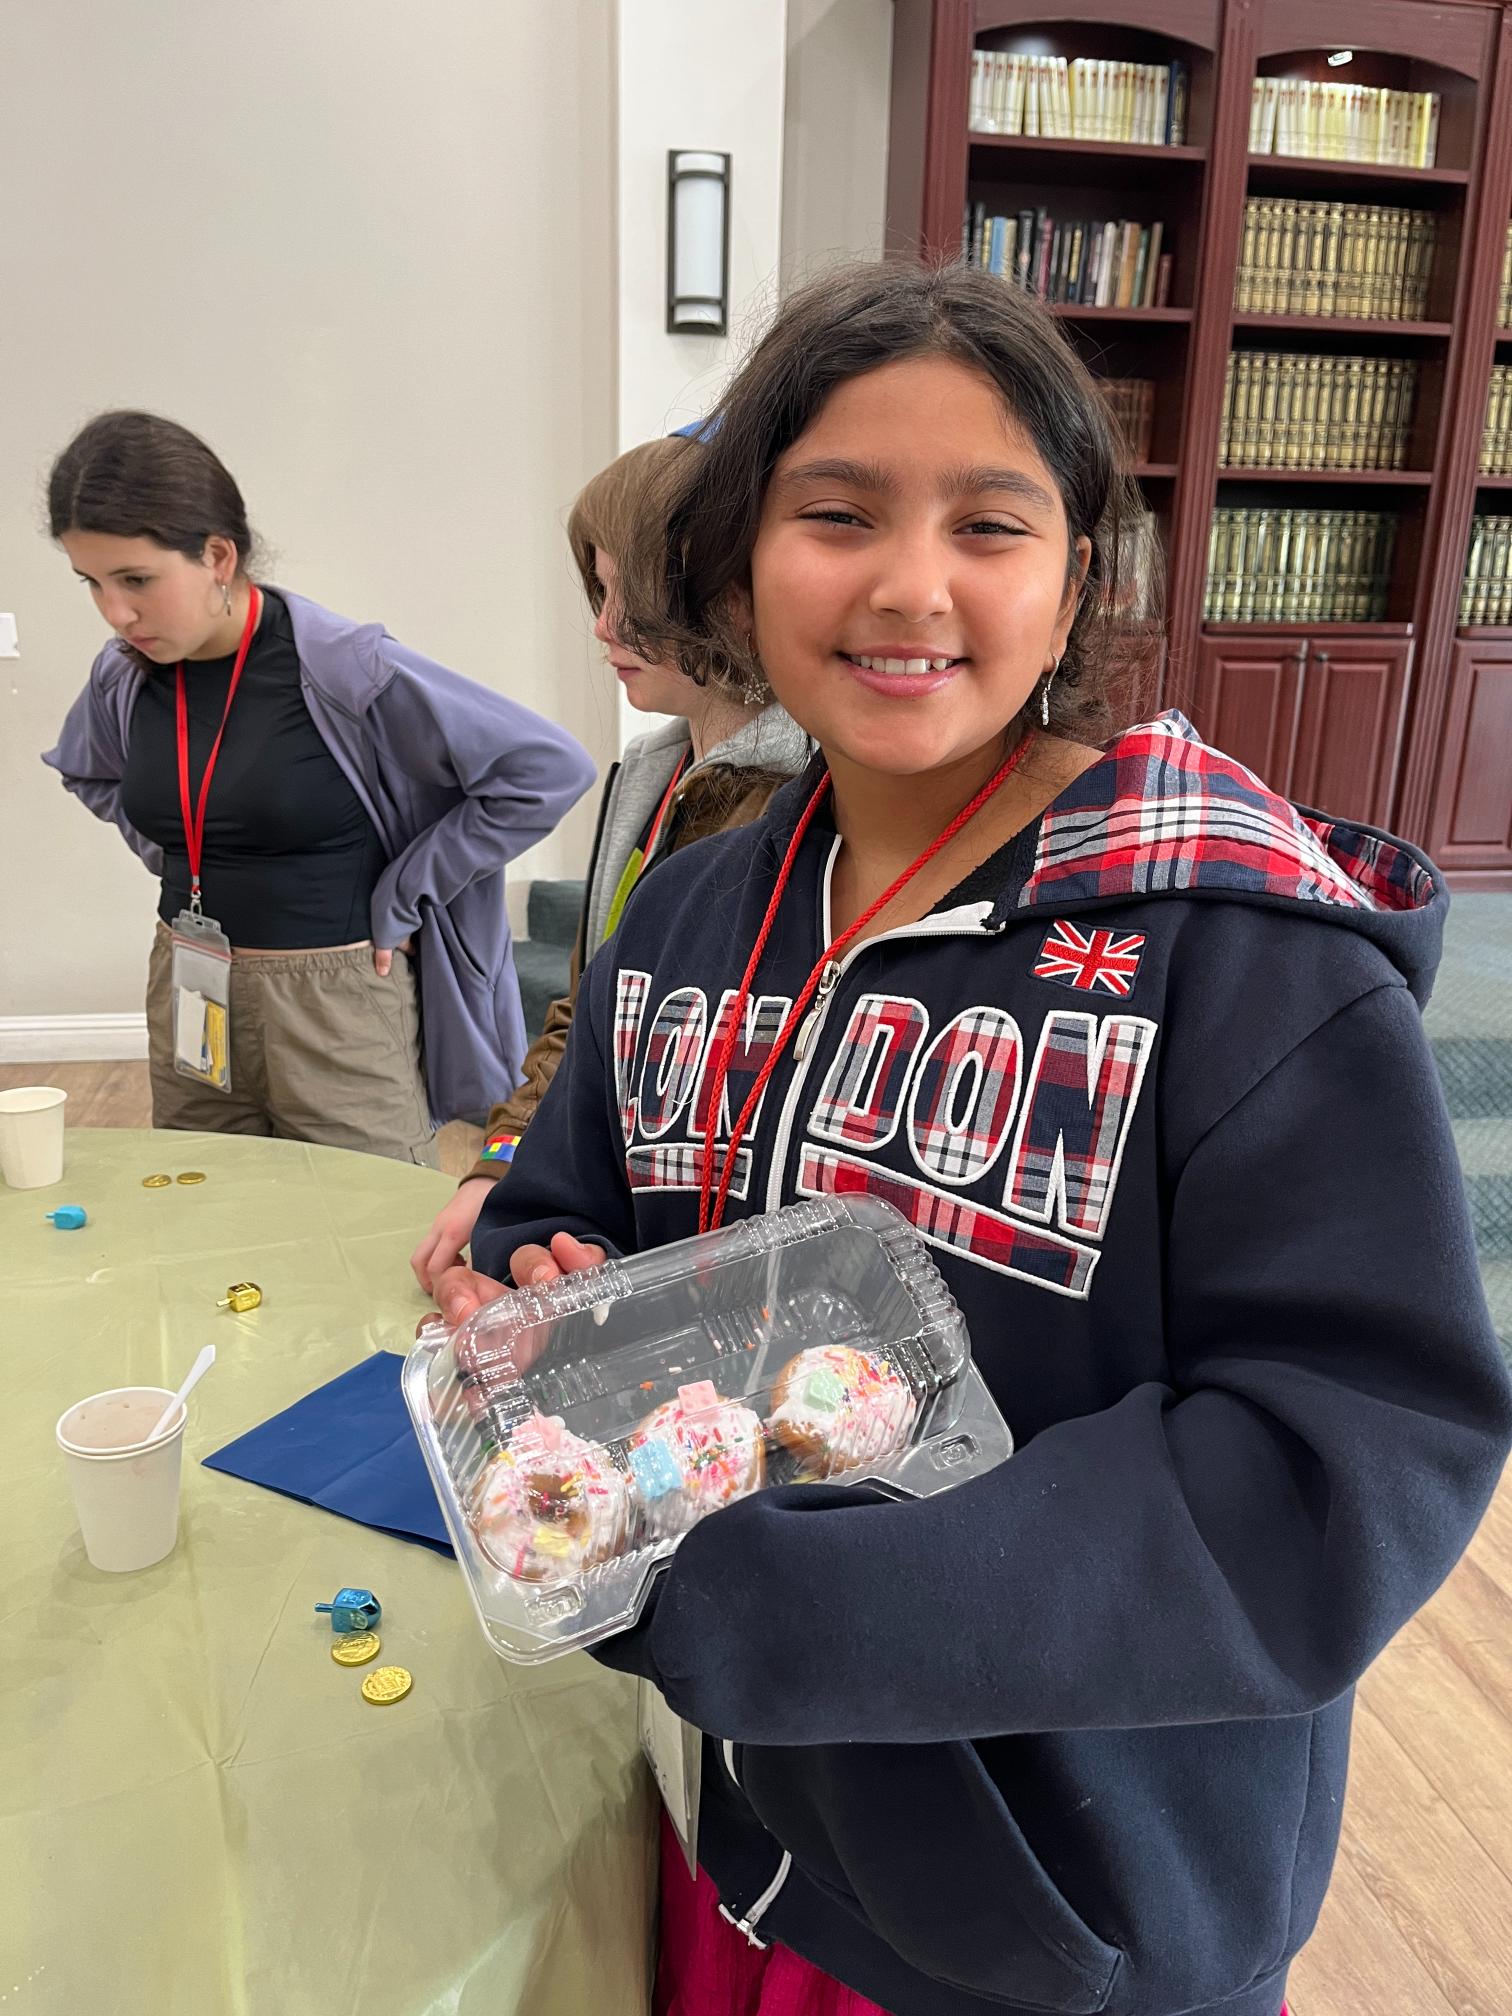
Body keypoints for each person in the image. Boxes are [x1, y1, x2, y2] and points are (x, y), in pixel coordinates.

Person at [443, 263, 1511, 2016]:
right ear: (738, 557)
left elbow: (1338, 1466)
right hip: (747, 1822)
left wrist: (786, 1613)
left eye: (990, 524)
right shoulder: (692, 913)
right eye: (836, 513)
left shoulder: (1245, 964)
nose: (908, 584)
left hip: (1062, 1907)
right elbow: (565, 1212)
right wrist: (543, 1295)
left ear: (1074, 577)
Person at [43, 410, 595, 1162]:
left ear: (217, 555)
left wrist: (405, 892)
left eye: (136, 579)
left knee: (367, 1221)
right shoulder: (124, 674)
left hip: (334, 1000)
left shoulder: (343, 668)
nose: (116, 612)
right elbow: (90, 770)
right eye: (93, 583)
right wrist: (177, 854)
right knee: (205, 1205)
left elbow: (545, 770)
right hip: (188, 983)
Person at [410, 436, 809, 1287]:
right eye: (601, 589)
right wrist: (502, 1163)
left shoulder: (804, 799)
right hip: (596, 1215)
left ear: (728, 595)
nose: (603, 625)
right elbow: (592, 1005)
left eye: (634, 593)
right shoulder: (649, 775)